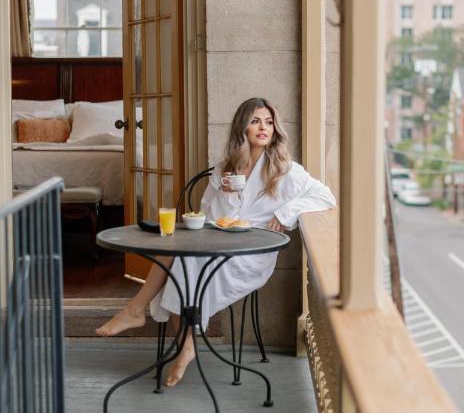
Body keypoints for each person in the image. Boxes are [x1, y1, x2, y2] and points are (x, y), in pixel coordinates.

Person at [95, 97, 336, 386]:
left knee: (183, 263)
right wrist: (224, 194)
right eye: (255, 121)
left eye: (269, 122)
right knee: (180, 257)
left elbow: (326, 197)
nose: (264, 127)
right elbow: (207, 217)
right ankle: (183, 345)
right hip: (216, 244)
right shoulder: (224, 168)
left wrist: (286, 213)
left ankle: (141, 314)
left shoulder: (287, 170)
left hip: (251, 254)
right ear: (242, 128)